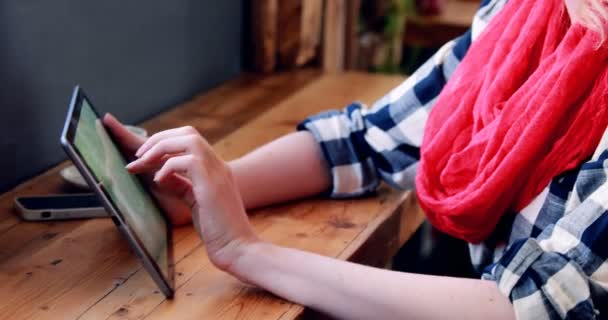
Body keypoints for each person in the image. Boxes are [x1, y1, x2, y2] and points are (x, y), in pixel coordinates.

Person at [104, 0, 608, 318]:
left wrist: (246, 251)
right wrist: (208, 188)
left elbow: (533, 308)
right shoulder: (527, 16)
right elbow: (371, 139)